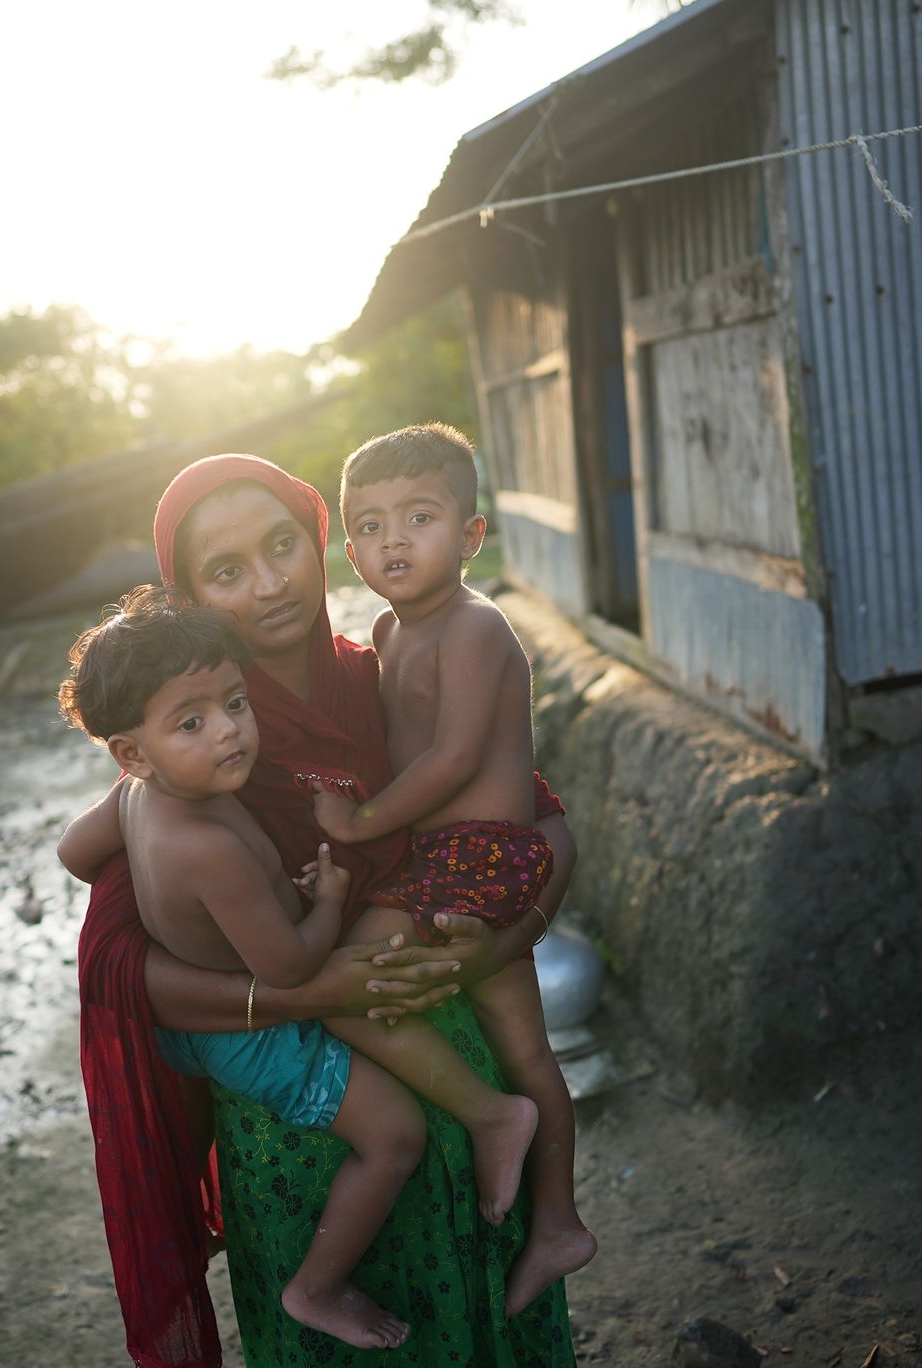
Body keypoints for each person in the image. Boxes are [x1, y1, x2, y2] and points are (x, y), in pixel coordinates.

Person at [72, 452, 579, 1367]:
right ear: (184, 593)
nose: (270, 586)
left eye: (282, 547)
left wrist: (509, 935)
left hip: (468, 1088)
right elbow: (124, 972)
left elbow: (537, 814)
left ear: (321, 543)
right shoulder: (187, 752)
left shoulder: (382, 668)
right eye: (226, 572)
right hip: (314, 1131)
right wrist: (309, 992)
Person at [314, 422, 596, 1315]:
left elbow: (447, 760)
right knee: (528, 1046)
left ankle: (491, 1115)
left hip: (477, 856)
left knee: (340, 984)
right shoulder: (390, 630)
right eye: (367, 525)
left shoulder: (474, 627)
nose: (391, 542)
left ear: (471, 536)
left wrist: (357, 824)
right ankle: (558, 1225)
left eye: (420, 517)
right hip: (449, 858)